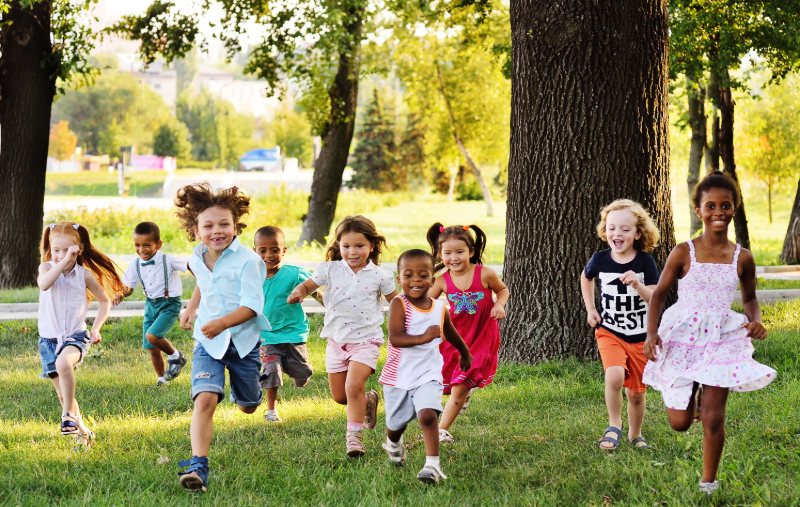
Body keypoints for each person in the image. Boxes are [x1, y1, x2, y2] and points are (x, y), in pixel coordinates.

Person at [643, 171, 776, 494]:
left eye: (726, 205)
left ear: (735, 208)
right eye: (711, 206)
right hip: (683, 335)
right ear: (699, 210)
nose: (719, 212)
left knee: (715, 417)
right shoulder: (683, 251)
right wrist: (651, 333)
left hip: (722, 337)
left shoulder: (741, 257)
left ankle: (708, 482)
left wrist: (754, 319)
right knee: (680, 423)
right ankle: (694, 393)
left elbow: (749, 297)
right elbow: (659, 293)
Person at [174, 183, 271, 492]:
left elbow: (252, 307)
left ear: (235, 225)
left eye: (224, 224)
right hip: (208, 342)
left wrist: (221, 323)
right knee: (204, 400)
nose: (217, 230)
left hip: (242, 342)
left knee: (249, 405)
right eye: (209, 225)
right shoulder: (197, 256)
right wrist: (191, 308)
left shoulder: (249, 260)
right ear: (195, 229)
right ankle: (198, 466)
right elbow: (205, 282)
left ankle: (246, 393)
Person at [288, 215, 397, 457]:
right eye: (346, 246)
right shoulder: (330, 269)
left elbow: (397, 303)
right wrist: (299, 291)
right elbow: (308, 285)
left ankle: (354, 440)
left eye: (359, 246)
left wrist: (408, 323)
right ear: (338, 245)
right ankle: (367, 400)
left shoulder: (380, 275)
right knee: (340, 397)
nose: (352, 251)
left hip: (366, 341)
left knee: (353, 385)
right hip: (336, 341)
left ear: (372, 246)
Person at [380, 249, 472, 484]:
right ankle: (393, 443)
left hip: (428, 373)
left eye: (423, 275)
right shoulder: (399, 304)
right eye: (408, 275)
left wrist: (464, 353)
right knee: (395, 425)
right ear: (399, 280)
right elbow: (396, 338)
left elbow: (450, 332)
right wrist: (423, 337)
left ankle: (432, 465)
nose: (416, 281)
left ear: (433, 280)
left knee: (428, 415)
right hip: (398, 376)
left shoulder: (439, 307)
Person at [37, 221, 126, 450]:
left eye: (67, 250)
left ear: (78, 250)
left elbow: (105, 300)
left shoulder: (83, 275)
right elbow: (45, 285)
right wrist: (63, 260)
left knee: (64, 363)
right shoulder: (46, 269)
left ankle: (67, 414)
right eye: (56, 250)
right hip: (48, 339)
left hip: (75, 335)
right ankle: (84, 432)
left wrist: (96, 328)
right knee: (62, 394)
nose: (60, 255)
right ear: (50, 249)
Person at [580, 199, 661, 450]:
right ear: (605, 230)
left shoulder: (645, 262)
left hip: (640, 335)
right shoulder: (600, 259)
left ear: (638, 233)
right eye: (612, 228)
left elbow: (655, 297)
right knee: (614, 375)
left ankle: (635, 435)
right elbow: (586, 278)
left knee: (636, 393)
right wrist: (591, 309)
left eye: (625, 229)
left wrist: (637, 284)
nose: (618, 233)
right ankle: (614, 425)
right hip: (610, 331)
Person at [426, 223, 508, 443]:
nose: (454, 257)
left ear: (471, 252)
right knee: (450, 382)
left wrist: (499, 305)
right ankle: (463, 393)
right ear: (440, 254)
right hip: (455, 337)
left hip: (482, 336)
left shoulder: (485, 274)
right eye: (448, 253)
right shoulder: (442, 280)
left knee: (460, 385)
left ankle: (440, 430)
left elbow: (503, 290)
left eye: (460, 252)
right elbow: (426, 303)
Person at [253, 226, 314, 422]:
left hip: (293, 333)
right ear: (254, 251)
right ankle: (271, 412)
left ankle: (291, 367)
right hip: (267, 336)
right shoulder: (251, 278)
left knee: (301, 377)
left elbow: (315, 289)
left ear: (284, 251)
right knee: (271, 371)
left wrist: (330, 306)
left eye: (275, 250)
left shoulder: (295, 274)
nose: (268, 255)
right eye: (262, 250)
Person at [117, 222, 188, 387]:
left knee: (153, 336)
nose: (141, 249)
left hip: (169, 304)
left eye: (146, 245)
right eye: (137, 245)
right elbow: (128, 288)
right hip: (150, 305)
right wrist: (119, 294)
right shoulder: (135, 264)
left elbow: (189, 265)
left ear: (158, 244)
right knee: (152, 347)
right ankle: (162, 380)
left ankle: (177, 356)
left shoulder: (167, 259)